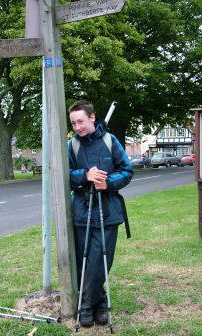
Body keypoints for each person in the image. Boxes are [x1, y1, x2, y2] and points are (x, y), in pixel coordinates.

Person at [68, 100, 133, 328]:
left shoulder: (110, 140)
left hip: (108, 211)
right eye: (74, 123)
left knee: (101, 259)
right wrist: (84, 175)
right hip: (81, 211)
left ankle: (88, 305)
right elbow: (65, 175)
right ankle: (96, 303)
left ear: (92, 117)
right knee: (83, 259)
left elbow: (127, 171)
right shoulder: (72, 145)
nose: (77, 127)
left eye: (81, 121)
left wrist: (108, 183)